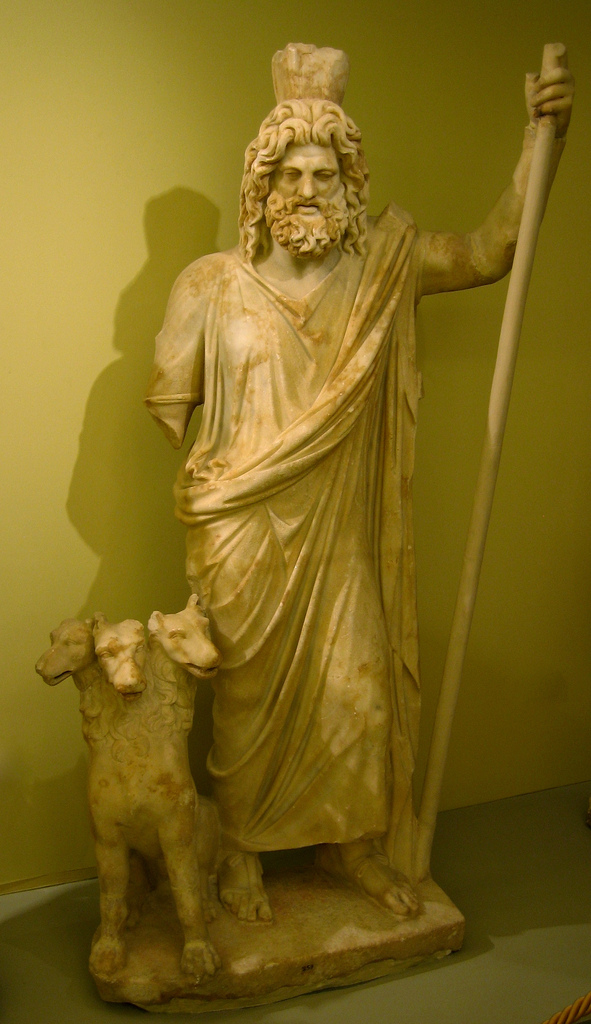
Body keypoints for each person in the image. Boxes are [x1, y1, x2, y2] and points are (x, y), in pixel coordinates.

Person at [145, 44, 573, 922]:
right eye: (290, 173)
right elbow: (170, 406)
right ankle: (241, 851)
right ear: (260, 185)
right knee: (245, 701)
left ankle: (350, 846)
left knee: (358, 692)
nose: (307, 189)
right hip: (241, 531)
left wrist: (542, 139)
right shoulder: (210, 286)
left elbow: (489, 250)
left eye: (325, 172)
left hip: (342, 531)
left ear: (349, 184)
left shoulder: (383, 268)